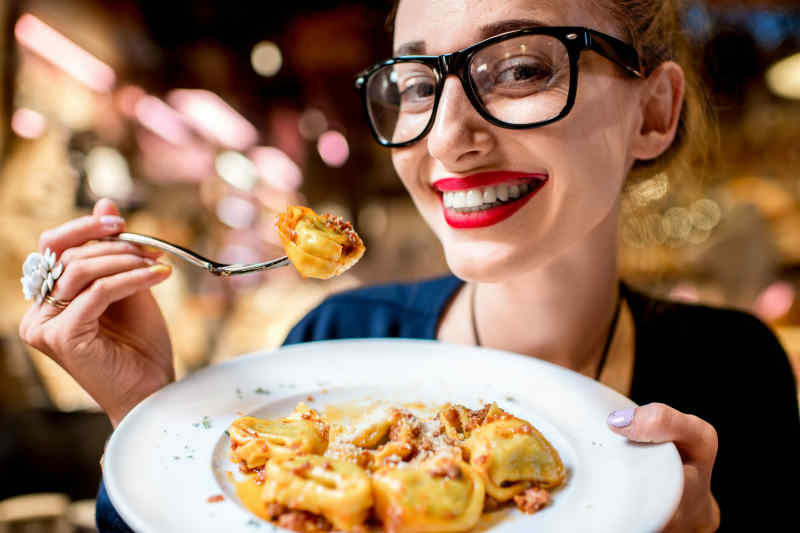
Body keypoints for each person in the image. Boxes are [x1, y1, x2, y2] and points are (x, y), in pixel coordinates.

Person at [17, 0, 800, 531]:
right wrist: (150, 416)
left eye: (522, 68)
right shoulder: (332, 339)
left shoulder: (735, 371)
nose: (445, 135)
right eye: (419, 83)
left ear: (655, 113)